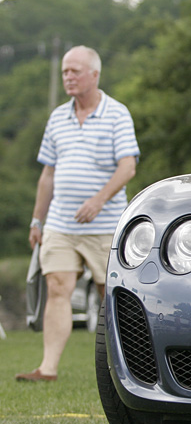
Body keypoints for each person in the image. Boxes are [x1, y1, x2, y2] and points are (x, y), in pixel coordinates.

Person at [16, 46, 139, 382]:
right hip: (60, 223)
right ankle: (48, 368)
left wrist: (99, 200)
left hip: (105, 222)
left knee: (109, 294)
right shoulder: (57, 117)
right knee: (57, 287)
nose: (68, 77)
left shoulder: (117, 113)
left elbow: (127, 167)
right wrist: (37, 220)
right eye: (65, 72)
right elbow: (48, 175)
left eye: (75, 71)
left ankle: (124, 370)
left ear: (94, 75)